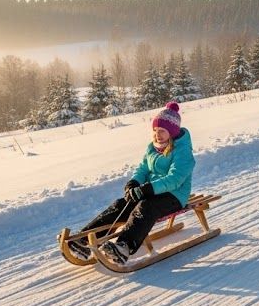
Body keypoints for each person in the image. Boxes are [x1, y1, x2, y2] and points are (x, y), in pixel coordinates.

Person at [67, 101, 195, 266]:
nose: (157, 135)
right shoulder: (153, 147)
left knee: (145, 207)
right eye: (155, 130)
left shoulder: (183, 150)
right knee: (121, 204)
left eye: (162, 131)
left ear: (172, 132)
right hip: (152, 192)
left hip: (175, 195)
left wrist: (148, 189)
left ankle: (124, 247)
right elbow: (143, 169)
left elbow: (175, 179)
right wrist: (134, 182)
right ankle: (84, 240)